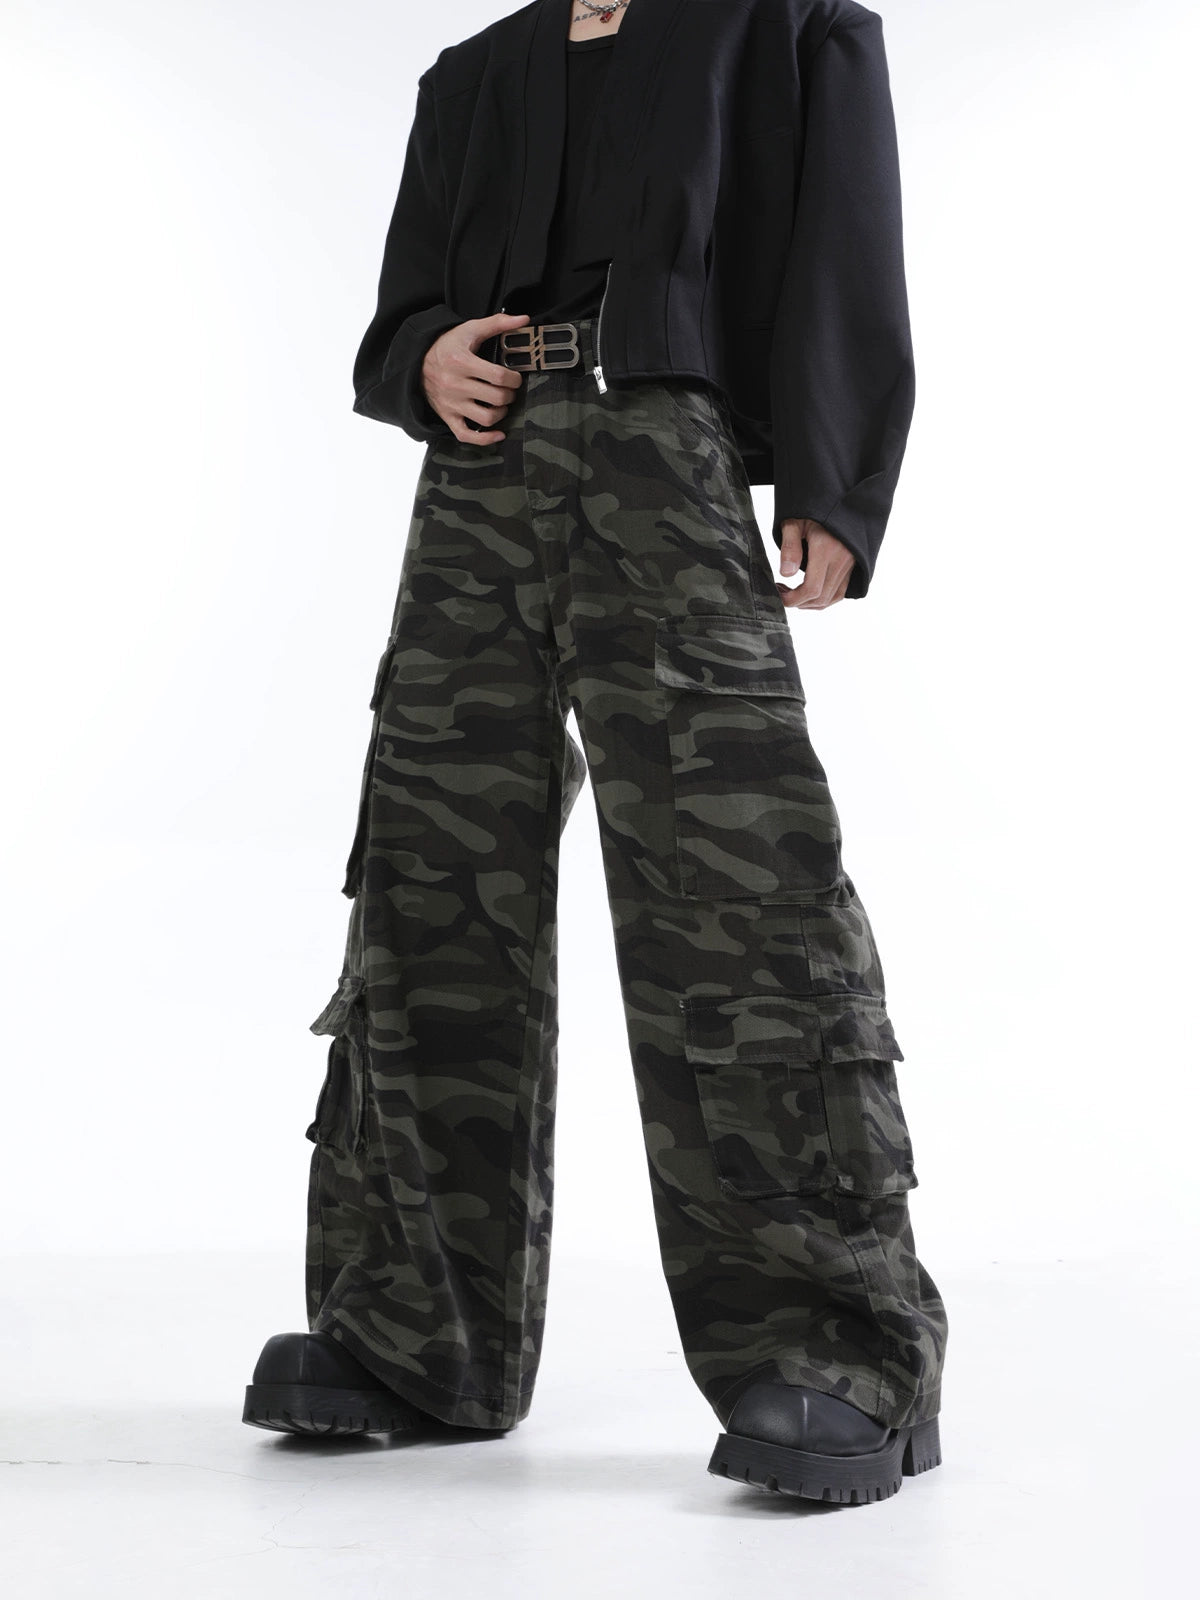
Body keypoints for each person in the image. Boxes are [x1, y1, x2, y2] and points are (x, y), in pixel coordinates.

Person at [242, 0, 948, 1506]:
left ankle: (840, 1350)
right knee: (428, 891)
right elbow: (402, 312)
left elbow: (846, 254)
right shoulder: (474, 73)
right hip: (477, 488)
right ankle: (414, 1336)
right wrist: (425, 360)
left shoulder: (787, 26)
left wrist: (833, 482)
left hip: (666, 465)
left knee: (738, 901)